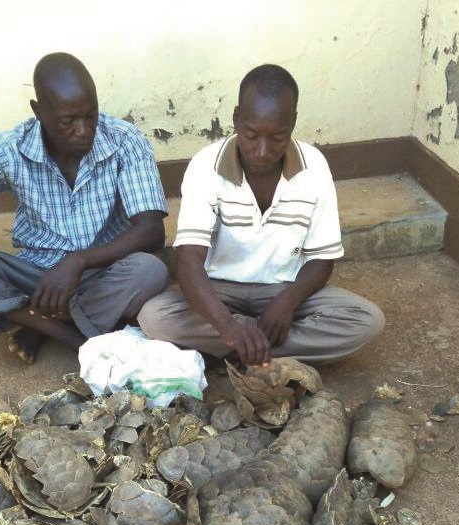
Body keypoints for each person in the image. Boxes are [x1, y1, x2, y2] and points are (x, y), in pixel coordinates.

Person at [0, 53, 169, 381]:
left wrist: (80, 260)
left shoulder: (125, 140)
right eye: (69, 120)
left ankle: (37, 323)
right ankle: (72, 336)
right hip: (36, 278)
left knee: (150, 269)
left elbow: (152, 230)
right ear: (39, 112)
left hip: (103, 272)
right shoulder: (8, 150)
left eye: (91, 116)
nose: (83, 131)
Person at [138, 64, 384, 367]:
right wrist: (228, 326)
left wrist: (289, 301)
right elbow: (188, 262)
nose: (262, 151)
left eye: (278, 137)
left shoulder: (314, 167)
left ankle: (238, 348)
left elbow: (322, 260)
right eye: (251, 135)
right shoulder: (205, 166)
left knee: (366, 320)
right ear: (236, 118)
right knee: (155, 317)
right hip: (220, 288)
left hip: (284, 288)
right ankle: (258, 346)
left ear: (292, 123)